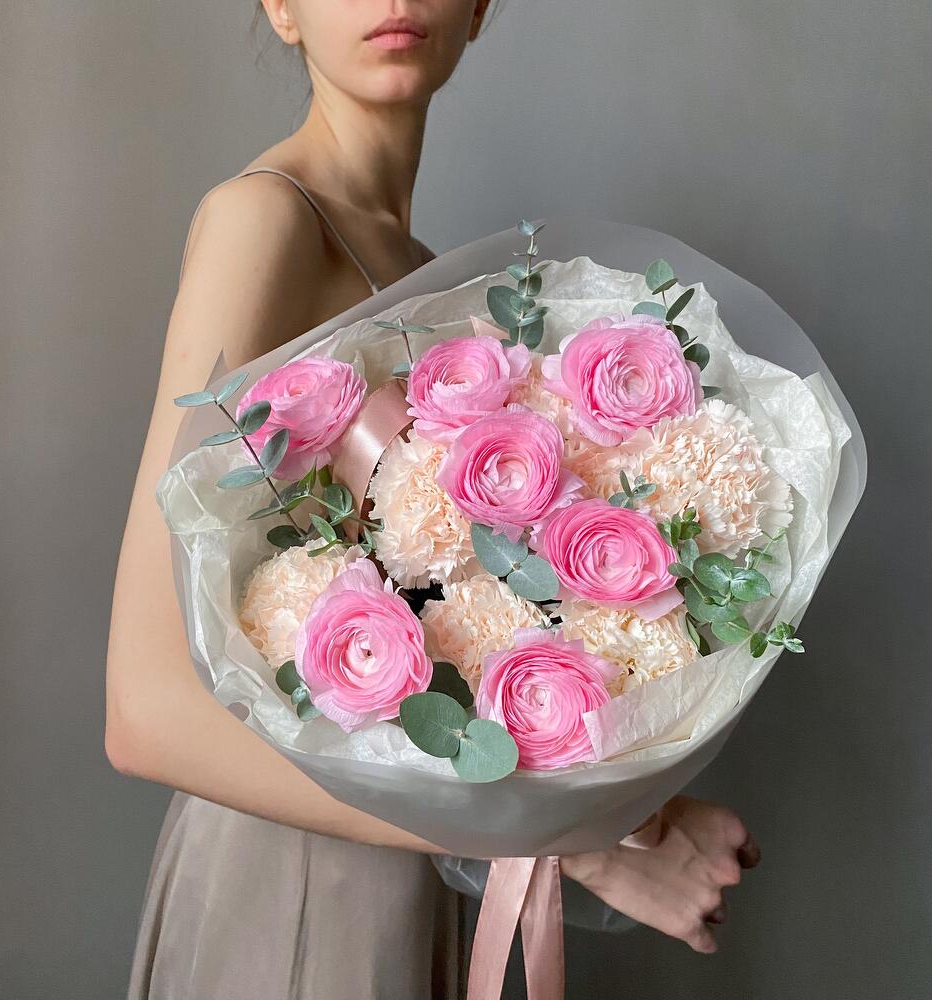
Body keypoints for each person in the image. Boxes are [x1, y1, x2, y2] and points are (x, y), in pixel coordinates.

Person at [105, 2, 761, 996]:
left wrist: (629, 803)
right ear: (280, 7)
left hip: (419, 876)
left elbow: (471, 638)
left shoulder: (432, 279)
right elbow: (146, 710)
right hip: (287, 884)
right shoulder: (267, 219)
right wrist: (574, 839)